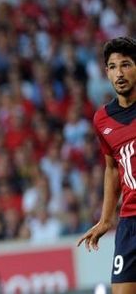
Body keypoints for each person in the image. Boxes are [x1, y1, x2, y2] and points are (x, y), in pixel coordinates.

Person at [77, 37, 136, 294]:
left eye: (126, 65)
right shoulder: (102, 119)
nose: (119, 73)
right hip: (129, 223)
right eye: (113, 67)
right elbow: (112, 168)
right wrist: (105, 219)